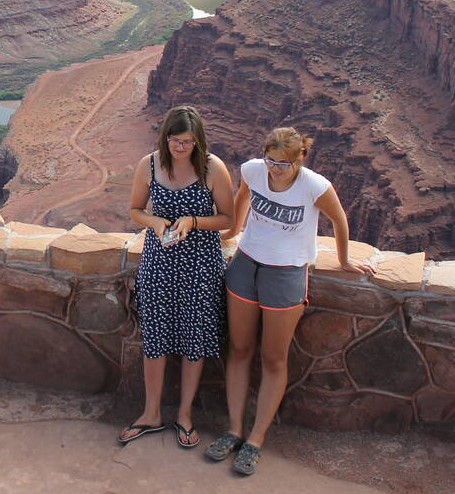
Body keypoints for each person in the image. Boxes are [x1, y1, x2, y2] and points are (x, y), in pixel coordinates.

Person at [204, 127, 374, 475]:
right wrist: (235, 231)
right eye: (271, 160)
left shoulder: (314, 186)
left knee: (273, 358)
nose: (275, 169)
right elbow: (243, 197)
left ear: (300, 158)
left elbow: (339, 219)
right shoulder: (253, 169)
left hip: (286, 273)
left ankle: (255, 439)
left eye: (283, 163)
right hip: (246, 265)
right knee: (238, 349)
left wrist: (343, 260)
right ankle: (234, 430)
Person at [118, 105, 234, 449]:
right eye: (175, 140)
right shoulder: (149, 164)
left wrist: (192, 222)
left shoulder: (213, 167)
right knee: (155, 336)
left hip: (200, 264)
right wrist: (154, 223)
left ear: (198, 141)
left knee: (193, 340)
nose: (181, 147)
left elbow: (227, 217)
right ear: (165, 137)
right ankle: (151, 413)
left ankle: (184, 414)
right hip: (160, 261)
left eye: (187, 142)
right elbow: (136, 209)